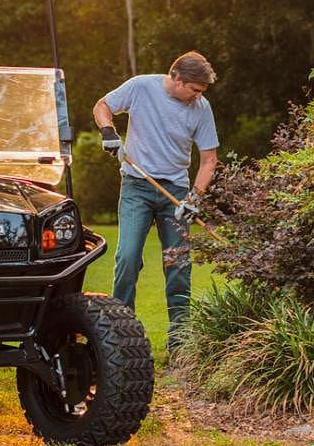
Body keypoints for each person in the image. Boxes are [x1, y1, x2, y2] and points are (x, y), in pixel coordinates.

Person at [92, 51, 219, 355]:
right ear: (177, 78)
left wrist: (194, 199)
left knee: (178, 265)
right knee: (127, 258)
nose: (198, 96)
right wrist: (108, 132)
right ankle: (121, 341)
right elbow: (103, 106)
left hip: (175, 192)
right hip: (137, 185)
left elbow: (209, 159)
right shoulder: (141, 87)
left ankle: (180, 345)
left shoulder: (201, 108)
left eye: (202, 92)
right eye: (195, 89)